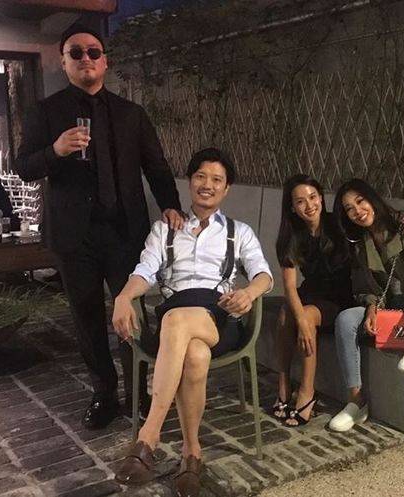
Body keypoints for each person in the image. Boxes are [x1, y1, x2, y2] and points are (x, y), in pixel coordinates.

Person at [15, 23, 183, 429]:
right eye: (76, 53)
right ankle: (103, 394)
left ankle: (138, 392)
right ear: (64, 62)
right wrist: (55, 150)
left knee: (131, 312)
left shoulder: (131, 114)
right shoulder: (46, 112)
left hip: (125, 231)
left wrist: (171, 206)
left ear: (105, 60)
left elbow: (156, 166)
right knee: (87, 317)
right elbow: (24, 167)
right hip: (75, 236)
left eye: (93, 51)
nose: (85, 58)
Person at [112, 148, 272, 494]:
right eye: (201, 176)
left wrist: (249, 293)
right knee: (195, 355)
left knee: (175, 321)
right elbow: (145, 271)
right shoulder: (164, 229)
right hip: (178, 318)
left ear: (226, 189)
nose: (207, 185)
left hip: (219, 318)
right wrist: (123, 296)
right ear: (190, 181)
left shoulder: (239, 232)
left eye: (216, 179)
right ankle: (192, 453)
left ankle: (148, 437)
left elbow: (263, 274)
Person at [273, 174, 404, 427]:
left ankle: (307, 392)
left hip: (342, 297)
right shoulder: (291, 235)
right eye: (300, 201)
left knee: (305, 317)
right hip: (313, 294)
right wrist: (298, 317)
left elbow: (377, 218)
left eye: (313, 197)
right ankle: (283, 384)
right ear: (292, 207)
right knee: (285, 313)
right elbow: (289, 286)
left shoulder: (338, 224)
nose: (309, 205)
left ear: (321, 197)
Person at [329, 178, 404, 432]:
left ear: (371, 198)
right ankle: (356, 402)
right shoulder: (358, 243)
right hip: (387, 307)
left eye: (360, 201)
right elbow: (364, 286)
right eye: (349, 208)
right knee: (345, 319)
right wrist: (371, 309)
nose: (357, 211)